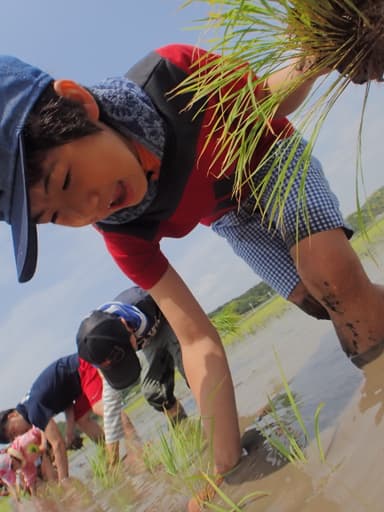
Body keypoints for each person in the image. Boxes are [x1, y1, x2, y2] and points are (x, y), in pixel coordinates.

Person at [1, 42, 384, 498]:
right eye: (56, 218)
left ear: (80, 106)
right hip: (231, 215)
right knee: (321, 305)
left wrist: (321, 55)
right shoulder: (122, 233)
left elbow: (265, 98)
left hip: (268, 158)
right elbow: (196, 338)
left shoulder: (174, 77)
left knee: (332, 279)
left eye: (65, 180)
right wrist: (225, 469)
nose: (85, 209)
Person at [76, 286, 189, 437]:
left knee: (192, 371)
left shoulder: (143, 299)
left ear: (124, 324)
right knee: (154, 392)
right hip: (150, 342)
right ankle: (187, 430)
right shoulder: (101, 350)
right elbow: (110, 400)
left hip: (170, 321)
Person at [0, 354, 106, 481]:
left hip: (82, 367)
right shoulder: (29, 406)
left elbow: (58, 444)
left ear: (12, 415)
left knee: (101, 408)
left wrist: (64, 481)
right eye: (13, 438)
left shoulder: (33, 411)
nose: (18, 436)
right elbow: (67, 403)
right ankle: (108, 449)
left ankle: (132, 443)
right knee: (82, 419)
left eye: (13, 432)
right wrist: (70, 431)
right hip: (77, 385)